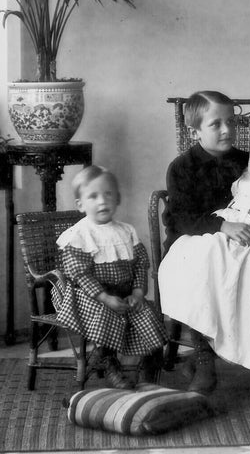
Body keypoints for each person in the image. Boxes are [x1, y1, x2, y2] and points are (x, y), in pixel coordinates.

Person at [158, 91, 250, 395]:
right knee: (199, 261)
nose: (227, 130)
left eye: (231, 122)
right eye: (216, 124)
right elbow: (179, 217)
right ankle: (202, 354)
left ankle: (217, 348)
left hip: (244, 238)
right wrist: (222, 225)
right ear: (195, 131)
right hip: (195, 234)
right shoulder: (182, 167)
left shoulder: (245, 160)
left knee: (226, 260)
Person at [54, 165, 167, 389]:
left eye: (108, 194)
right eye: (93, 196)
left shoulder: (126, 231)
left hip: (124, 292)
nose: (102, 201)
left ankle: (148, 369)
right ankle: (107, 360)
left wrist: (137, 292)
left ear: (118, 199)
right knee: (108, 313)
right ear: (80, 204)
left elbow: (140, 265)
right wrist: (105, 297)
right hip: (88, 295)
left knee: (147, 313)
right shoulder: (80, 235)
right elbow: (79, 274)